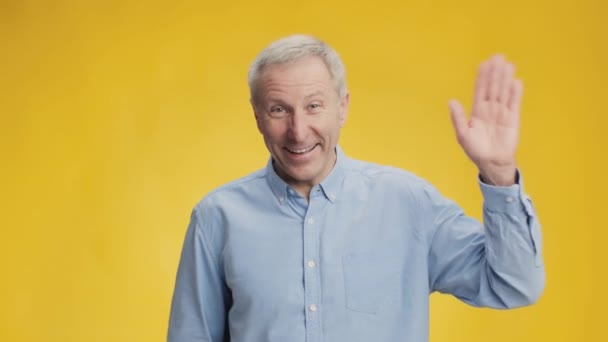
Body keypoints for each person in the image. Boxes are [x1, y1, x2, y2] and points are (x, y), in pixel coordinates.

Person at [167, 34, 544, 342]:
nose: (299, 131)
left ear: (342, 107)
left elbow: (514, 285)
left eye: (314, 106)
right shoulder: (217, 217)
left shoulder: (407, 203)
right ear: (257, 116)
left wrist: (498, 172)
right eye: (279, 110)